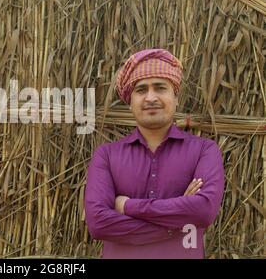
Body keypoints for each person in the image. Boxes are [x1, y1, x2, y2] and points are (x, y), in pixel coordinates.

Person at [84, 48, 225, 259]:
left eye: (160, 88)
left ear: (176, 97)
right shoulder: (107, 155)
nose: (151, 97)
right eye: (141, 90)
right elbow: (98, 224)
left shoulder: (204, 150)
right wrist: (175, 224)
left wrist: (126, 206)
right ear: (130, 103)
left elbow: (203, 211)